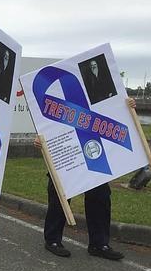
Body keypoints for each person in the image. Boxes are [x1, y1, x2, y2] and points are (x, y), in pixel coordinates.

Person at [34, 97, 135, 261]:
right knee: (60, 196)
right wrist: (39, 136)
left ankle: (99, 244)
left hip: (92, 147)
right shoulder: (60, 88)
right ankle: (52, 239)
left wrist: (127, 105)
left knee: (101, 196)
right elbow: (44, 115)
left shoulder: (97, 86)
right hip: (67, 149)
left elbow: (112, 108)